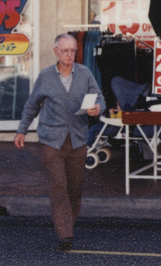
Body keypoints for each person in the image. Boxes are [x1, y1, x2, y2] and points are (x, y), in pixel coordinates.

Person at [14, 34, 104, 251]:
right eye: (65, 51)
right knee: (59, 185)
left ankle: (66, 224)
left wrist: (97, 108)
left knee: (74, 188)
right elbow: (31, 106)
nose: (69, 55)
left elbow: (99, 97)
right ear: (56, 51)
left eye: (73, 51)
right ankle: (65, 233)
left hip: (77, 140)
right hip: (51, 141)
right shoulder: (45, 76)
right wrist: (21, 131)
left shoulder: (84, 73)